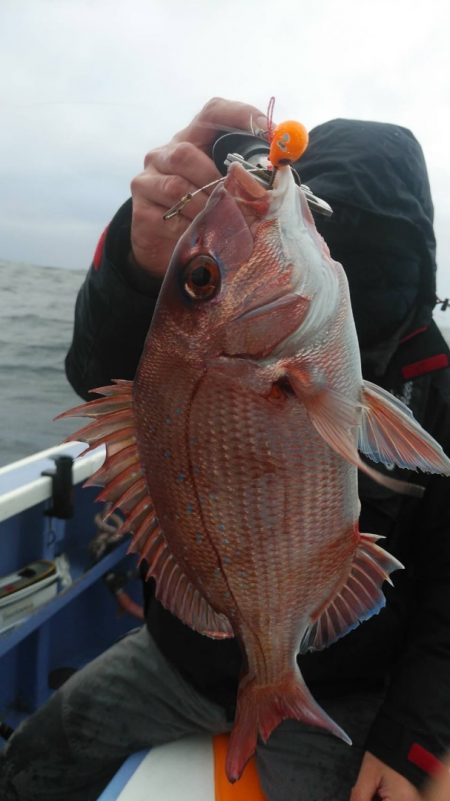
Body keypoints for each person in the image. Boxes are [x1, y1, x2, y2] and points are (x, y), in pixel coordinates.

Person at [1, 98, 450, 801]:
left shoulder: (434, 381)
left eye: (199, 280)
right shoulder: (199, 343)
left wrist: (410, 741)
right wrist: (136, 261)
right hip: (180, 656)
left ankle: (275, 683)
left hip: (342, 687)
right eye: (205, 281)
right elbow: (100, 377)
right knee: (29, 762)